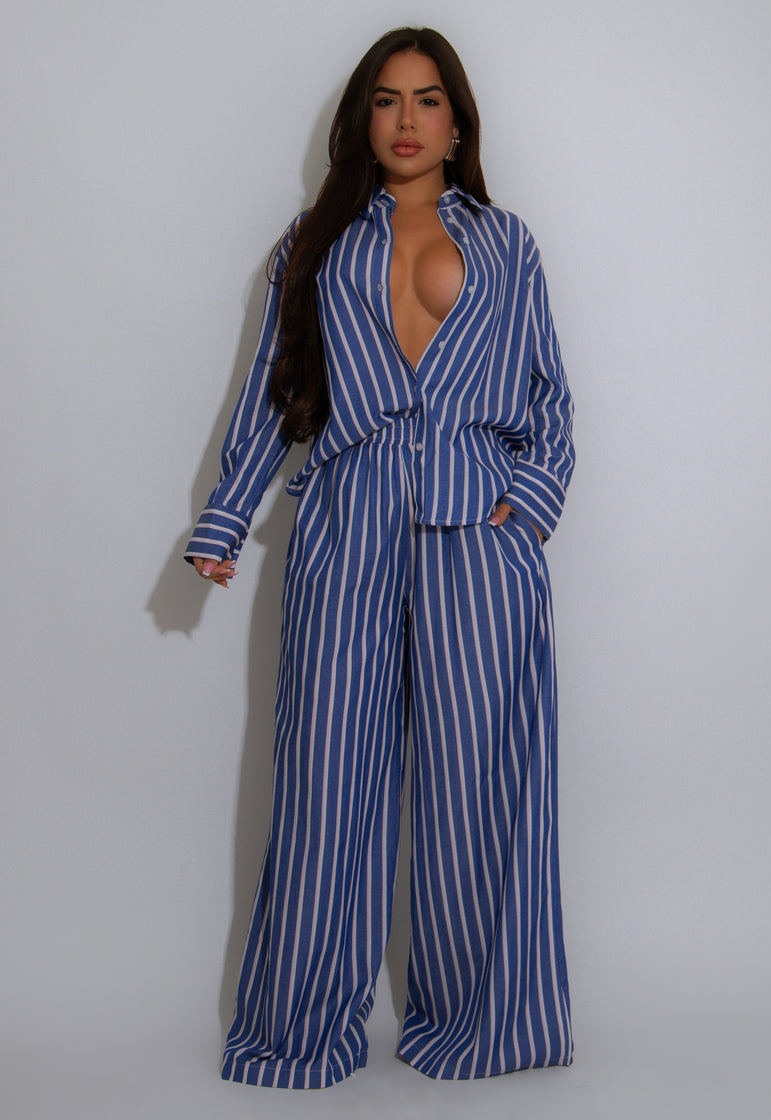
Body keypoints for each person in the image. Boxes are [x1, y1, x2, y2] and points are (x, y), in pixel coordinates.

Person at [185, 26, 575, 1089]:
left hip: (478, 535)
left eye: (428, 99)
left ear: (457, 123)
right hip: (346, 523)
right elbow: (274, 386)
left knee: (478, 785)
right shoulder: (314, 242)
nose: (406, 120)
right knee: (325, 781)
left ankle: (485, 1023)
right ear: (363, 118)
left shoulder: (506, 242)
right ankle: (298, 1031)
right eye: (387, 99)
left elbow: (549, 396)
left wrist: (527, 511)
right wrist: (223, 520)